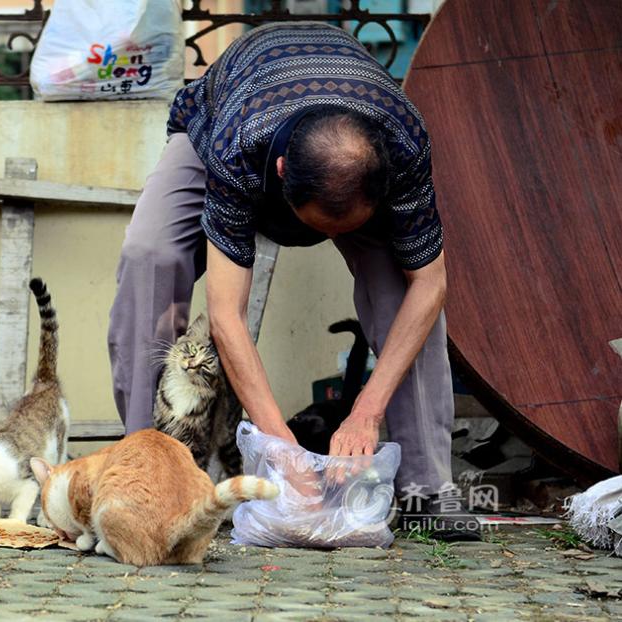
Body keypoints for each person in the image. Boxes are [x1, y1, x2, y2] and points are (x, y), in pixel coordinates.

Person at [108, 23, 475, 540]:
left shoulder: (402, 142)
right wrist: (284, 449)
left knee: (398, 290)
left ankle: (428, 489)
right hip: (221, 117)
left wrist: (366, 411)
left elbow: (430, 284)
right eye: (319, 227)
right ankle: (143, 469)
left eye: (341, 231)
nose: (326, 242)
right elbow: (225, 315)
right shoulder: (238, 143)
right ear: (281, 171)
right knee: (151, 254)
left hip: (343, 129)